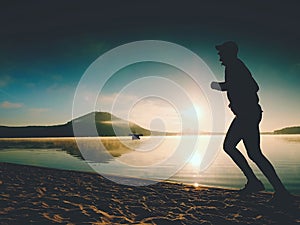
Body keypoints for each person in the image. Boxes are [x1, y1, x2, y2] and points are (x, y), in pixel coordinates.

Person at [211, 41, 292, 204]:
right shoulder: (234, 66)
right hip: (248, 114)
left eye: (221, 53)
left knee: (230, 146)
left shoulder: (234, 66)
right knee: (253, 153)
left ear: (229, 53)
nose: (219, 56)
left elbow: (253, 86)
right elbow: (249, 86)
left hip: (247, 115)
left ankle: (260, 184)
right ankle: (274, 188)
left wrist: (220, 86)